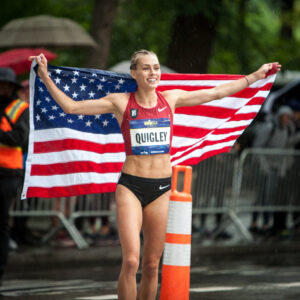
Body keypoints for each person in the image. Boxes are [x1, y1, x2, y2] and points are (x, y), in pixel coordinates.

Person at [29, 51, 280, 299]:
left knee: (151, 265)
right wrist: (45, 76)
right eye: (146, 68)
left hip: (161, 188)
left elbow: (216, 93)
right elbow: (71, 107)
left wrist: (255, 76)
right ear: (134, 73)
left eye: (156, 68)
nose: (153, 73)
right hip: (130, 186)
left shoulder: (171, 98)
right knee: (131, 261)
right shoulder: (120, 101)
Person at [249, 105, 300, 237]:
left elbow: (286, 146)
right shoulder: (269, 128)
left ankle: (266, 224)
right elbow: (257, 147)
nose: (286, 119)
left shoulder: (287, 130)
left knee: (269, 197)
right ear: (279, 116)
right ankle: (254, 223)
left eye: (288, 117)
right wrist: (263, 165)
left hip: (275, 169)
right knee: (260, 196)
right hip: (262, 168)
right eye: (284, 117)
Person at [0, 68, 29, 284]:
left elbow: (20, 138)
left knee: (2, 225)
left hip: (8, 173)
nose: (2, 87)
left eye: (5, 84)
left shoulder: (20, 108)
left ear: (11, 87)